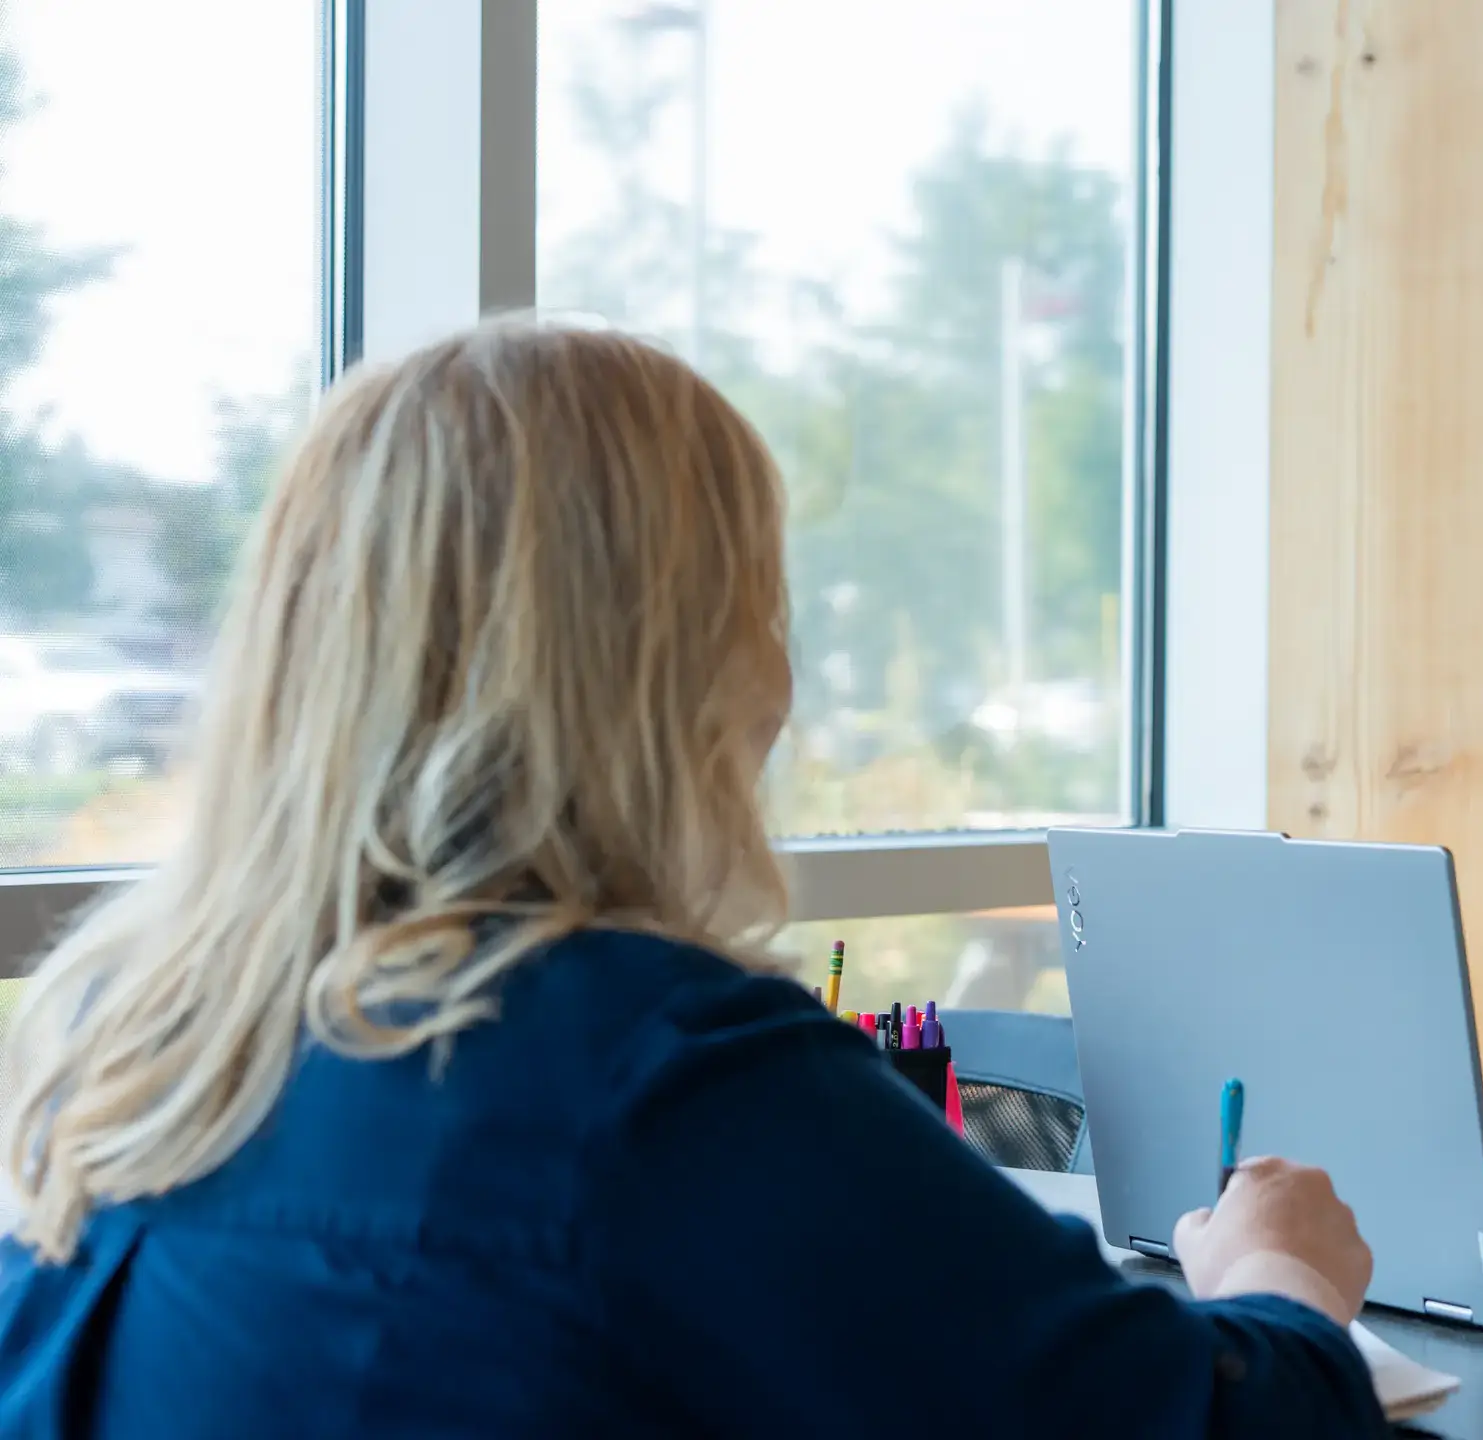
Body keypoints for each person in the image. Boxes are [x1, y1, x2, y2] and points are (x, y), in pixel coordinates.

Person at [0, 322, 1390, 1438]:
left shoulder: (112, 1038)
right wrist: (1282, 1280)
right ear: (688, 668)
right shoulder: (652, 1069)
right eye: (758, 602)